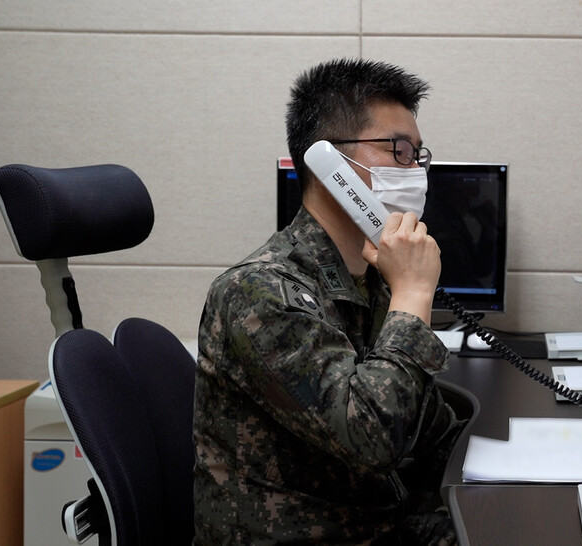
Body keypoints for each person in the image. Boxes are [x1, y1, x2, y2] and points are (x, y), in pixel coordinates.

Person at [192, 58, 466, 545]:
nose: (416, 171)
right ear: (329, 162)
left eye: (418, 156)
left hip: (372, 517)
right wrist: (414, 292)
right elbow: (372, 439)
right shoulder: (257, 293)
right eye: (398, 150)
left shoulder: (369, 280)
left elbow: (425, 430)